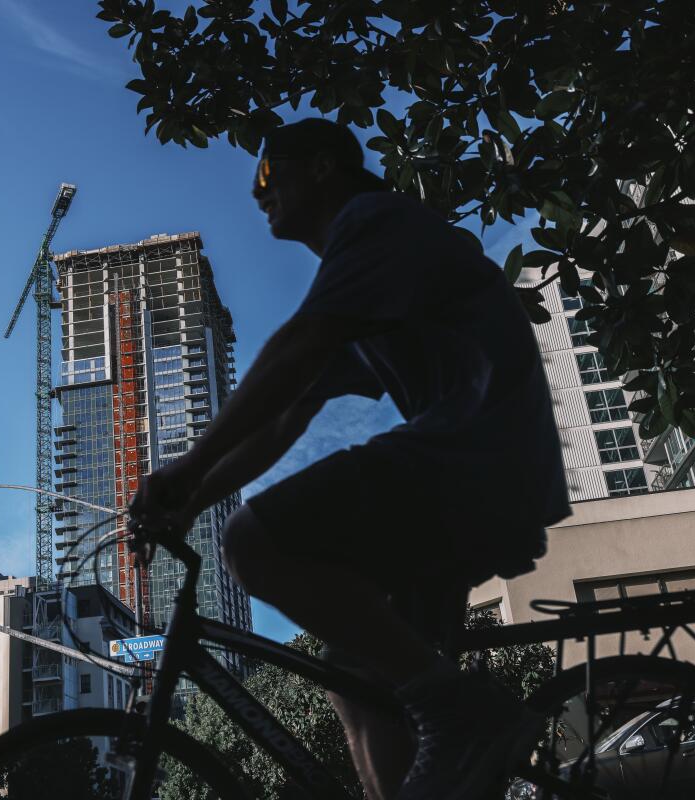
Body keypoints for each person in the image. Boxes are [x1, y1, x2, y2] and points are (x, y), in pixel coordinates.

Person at [128, 118, 570, 800]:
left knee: (252, 541)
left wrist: (185, 469)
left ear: (322, 166)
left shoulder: (377, 222)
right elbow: (284, 418)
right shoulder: (370, 277)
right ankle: (447, 733)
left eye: (267, 174)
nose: (257, 194)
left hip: (474, 458)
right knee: (358, 678)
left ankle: (463, 712)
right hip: (489, 482)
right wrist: (191, 499)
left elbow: (300, 345)